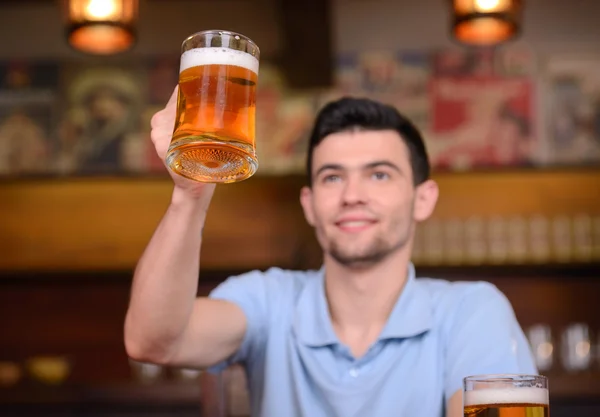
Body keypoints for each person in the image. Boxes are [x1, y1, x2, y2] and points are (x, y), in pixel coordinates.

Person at [124, 87, 537, 417]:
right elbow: (153, 343)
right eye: (332, 177)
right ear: (309, 204)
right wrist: (190, 194)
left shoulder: (472, 311)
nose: (352, 196)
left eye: (379, 174)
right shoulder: (268, 301)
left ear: (423, 199)